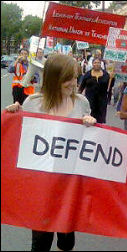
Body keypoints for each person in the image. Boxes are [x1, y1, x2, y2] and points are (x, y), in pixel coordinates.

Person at [5, 54, 96, 251]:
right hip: (41, 187)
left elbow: (88, 141)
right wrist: (12, 117)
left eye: (75, 77)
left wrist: (91, 124)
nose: (74, 83)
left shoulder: (81, 103)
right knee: (41, 242)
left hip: (69, 184)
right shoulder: (33, 103)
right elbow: (20, 139)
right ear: (55, 78)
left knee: (66, 240)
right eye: (68, 78)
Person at [79, 58, 114, 123]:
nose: (97, 64)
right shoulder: (88, 74)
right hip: (90, 100)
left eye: (98, 63)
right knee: (90, 117)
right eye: (95, 62)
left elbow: (110, 87)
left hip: (102, 100)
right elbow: (82, 87)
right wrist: (78, 97)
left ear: (101, 64)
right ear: (92, 64)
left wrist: (112, 78)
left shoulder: (106, 74)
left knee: (101, 118)